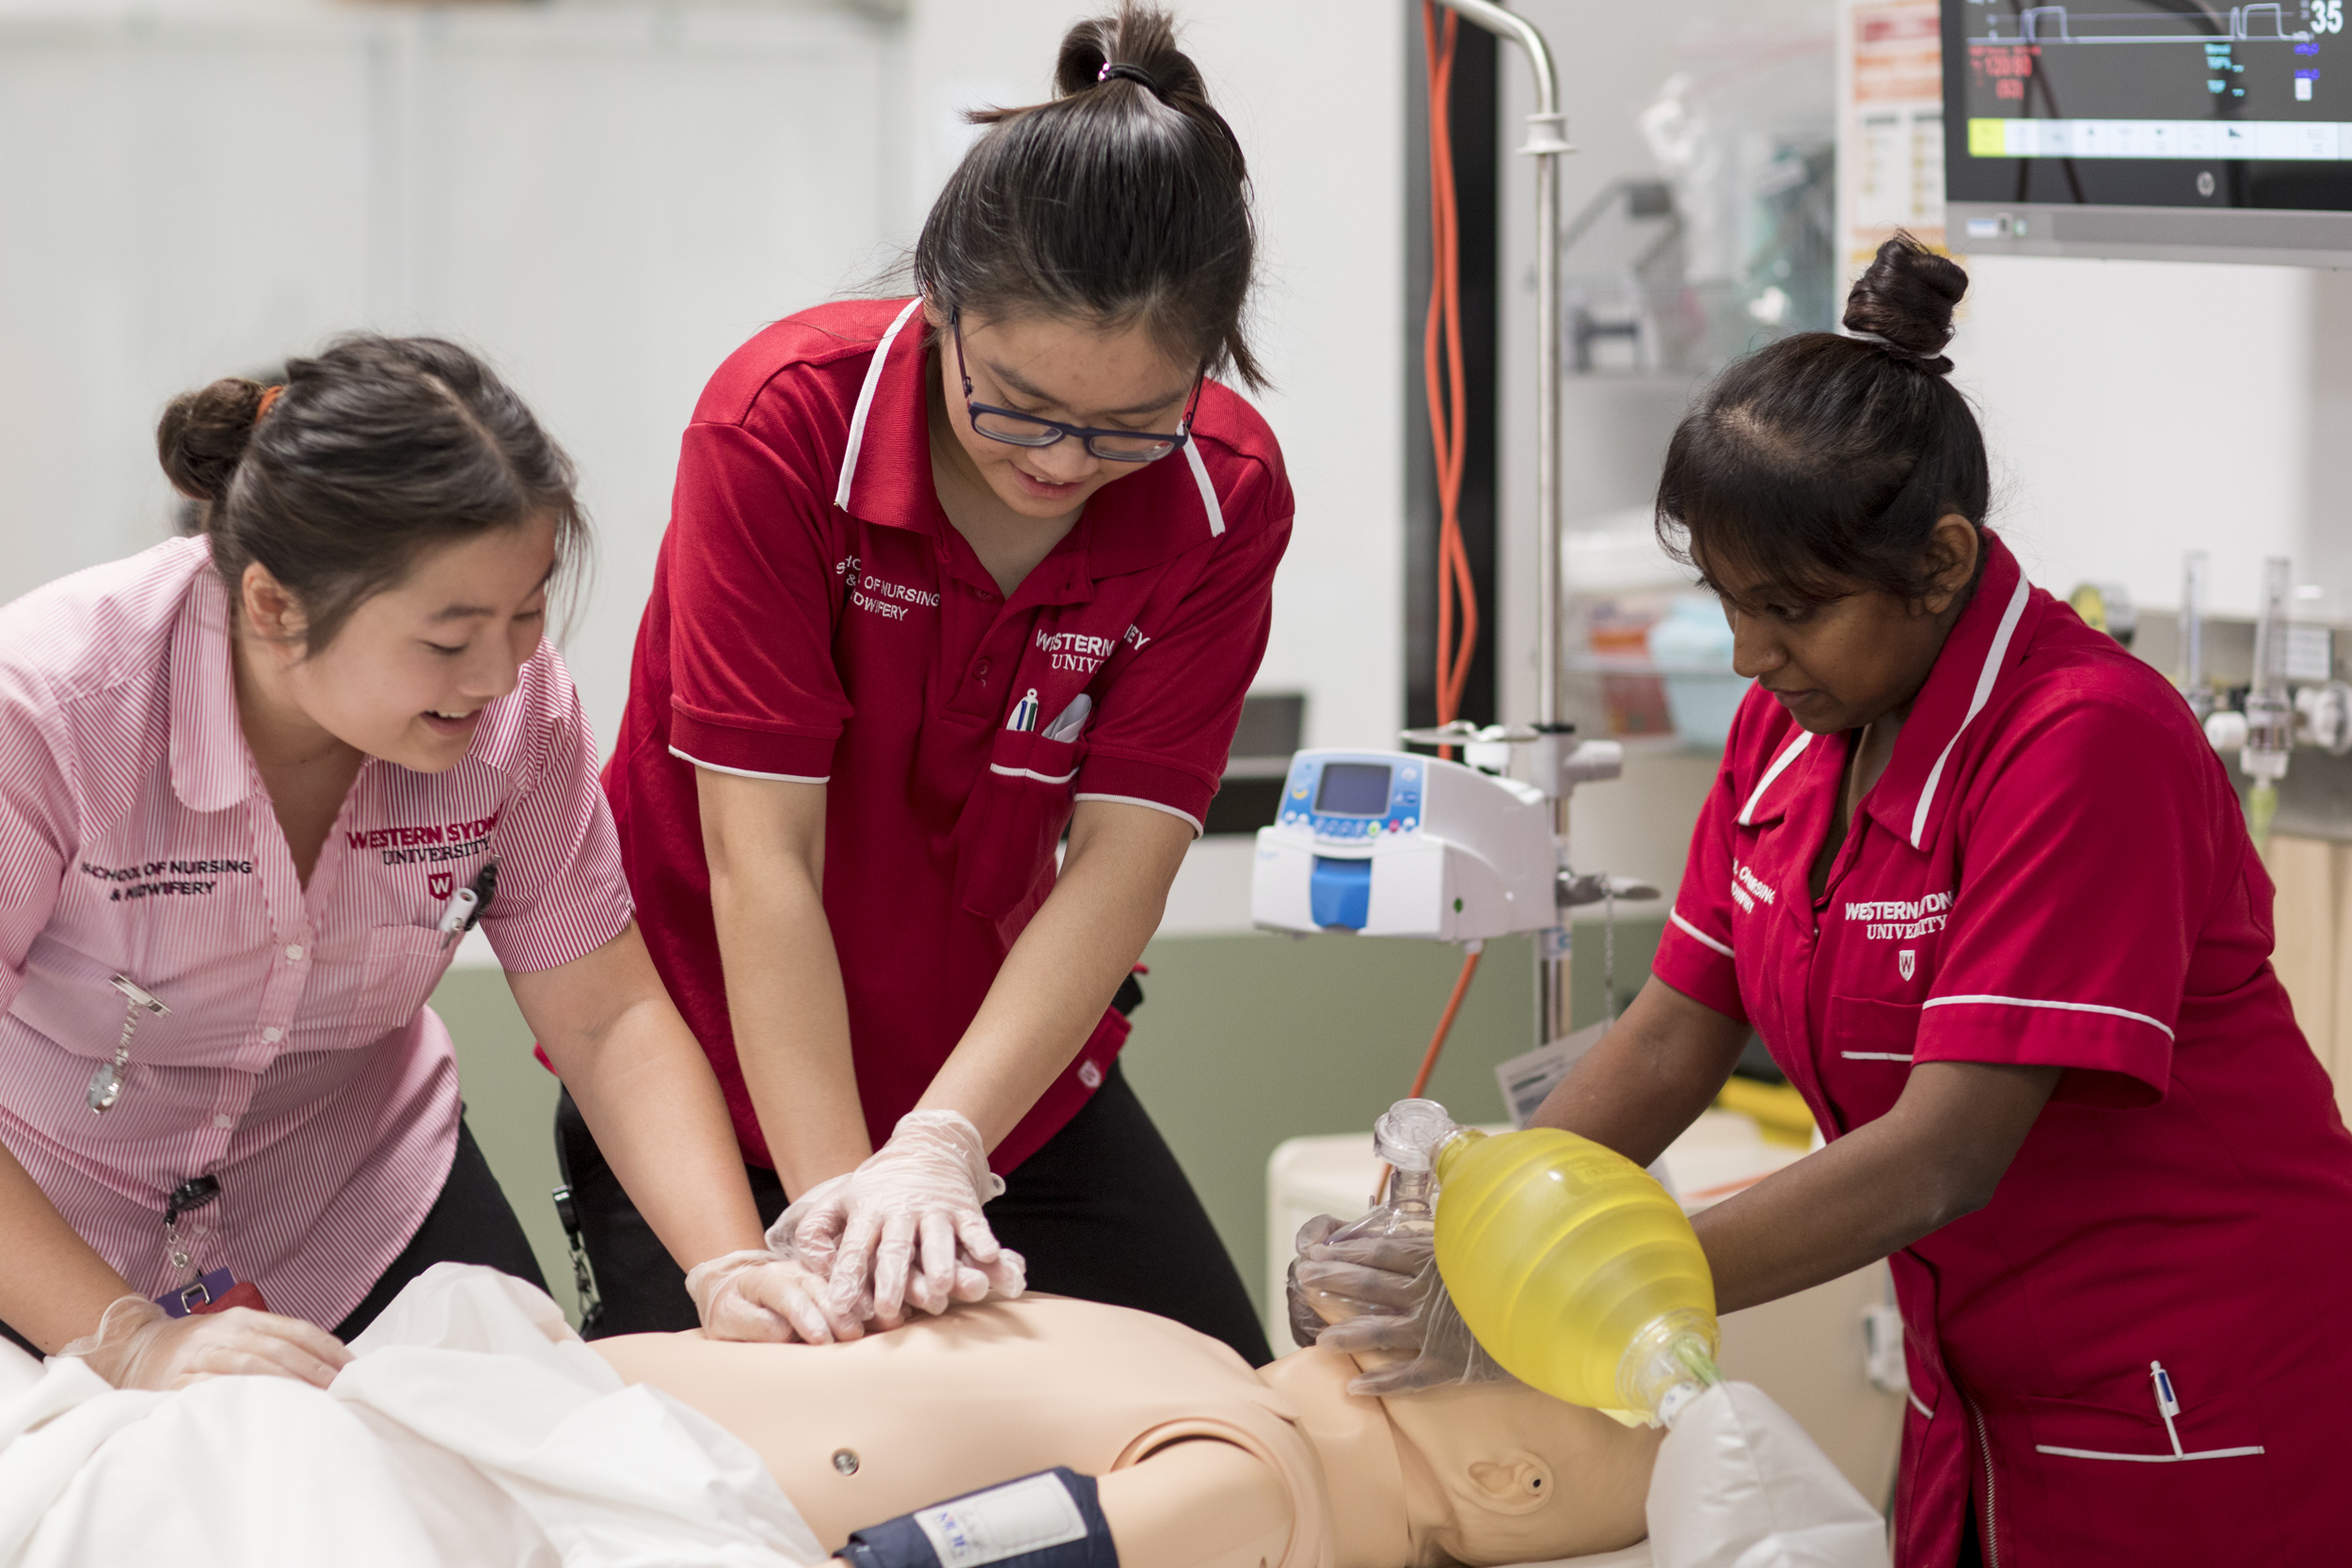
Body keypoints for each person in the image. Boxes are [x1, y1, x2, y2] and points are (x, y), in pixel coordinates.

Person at [1291, 236, 2352, 1567]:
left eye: (1790, 607)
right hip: (1972, 1382)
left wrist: (1558, 1289)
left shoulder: (2085, 741)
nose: (1750, 653)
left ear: (1943, 562)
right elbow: (1670, 1037)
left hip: (2192, 1386)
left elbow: (1942, 1152)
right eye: (1728, 602)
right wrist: (1454, 1234)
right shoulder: (1794, 726)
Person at [579, 2, 1290, 1362]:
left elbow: (1123, 858)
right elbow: (759, 857)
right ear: (941, 305)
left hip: (1002, 1073)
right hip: (726, 1065)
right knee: (797, 1443)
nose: (1061, 462)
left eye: (1127, 426)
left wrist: (944, 1143)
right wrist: (846, 1207)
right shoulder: (785, 426)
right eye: (1015, 403)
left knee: (1223, 1401)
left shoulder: (1221, 492)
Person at [0, 336, 838, 1389]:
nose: (497, 674)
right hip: (52, 1219)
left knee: (517, 1454)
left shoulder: (518, 711)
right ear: (274, 606)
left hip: (358, 1197)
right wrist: (128, 1339)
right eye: (447, 641)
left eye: (527, 613)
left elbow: (605, 1013)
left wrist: (728, 1265)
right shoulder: (51, 708)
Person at [594, 1291, 1660, 1568]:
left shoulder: (1217, 1397)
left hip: (590, 1410)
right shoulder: (1261, 1478)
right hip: (592, 1483)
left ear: (1508, 1478)